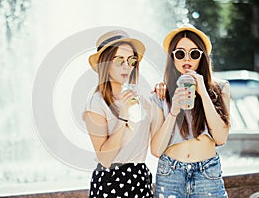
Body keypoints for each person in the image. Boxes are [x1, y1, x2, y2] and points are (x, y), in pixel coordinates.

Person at [151, 24, 231, 197]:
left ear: (202, 57)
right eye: (180, 53)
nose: (187, 59)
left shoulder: (221, 88)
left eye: (194, 53)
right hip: (170, 174)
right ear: (172, 57)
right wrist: (173, 111)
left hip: (207, 173)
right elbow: (156, 150)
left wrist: (202, 91)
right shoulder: (161, 93)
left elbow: (221, 137)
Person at [83, 30, 157, 198]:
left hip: (140, 178)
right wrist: (122, 116)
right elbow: (105, 159)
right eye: (119, 60)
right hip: (111, 182)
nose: (127, 66)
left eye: (131, 60)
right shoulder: (96, 103)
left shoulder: (139, 98)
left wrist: (163, 98)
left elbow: (159, 134)